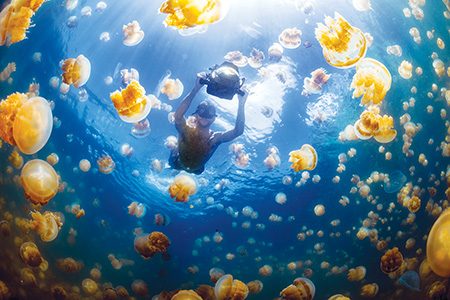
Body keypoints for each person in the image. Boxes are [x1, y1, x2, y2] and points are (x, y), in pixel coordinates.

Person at [169, 73, 248, 174]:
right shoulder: (186, 130)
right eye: (202, 111)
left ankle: (176, 145)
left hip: (197, 169)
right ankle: (175, 147)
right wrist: (195, 89)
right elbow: (178, 117)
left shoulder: (214, 138)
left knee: (198, 171)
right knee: (172, 163)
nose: (205, 116)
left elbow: (238, 131)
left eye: (210, 113)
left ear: (214, 119)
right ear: (196, 114)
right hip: (176, 162)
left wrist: (242, 104)